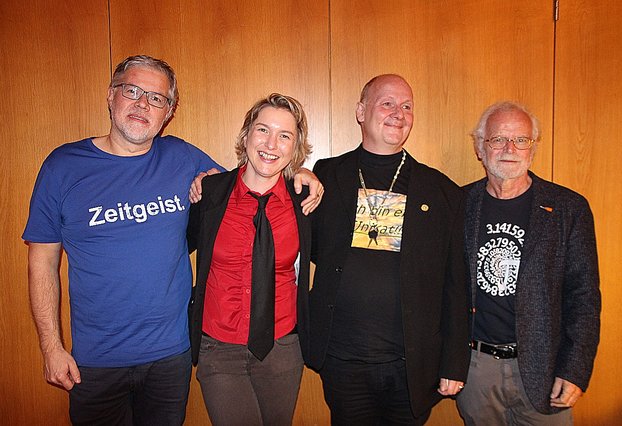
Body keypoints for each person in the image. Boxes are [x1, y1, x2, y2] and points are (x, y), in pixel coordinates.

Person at [23, 55, 322, 425]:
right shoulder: (63, 166)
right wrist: (51, 347)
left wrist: (302, 173)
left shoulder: (182, 157)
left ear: (169, 111)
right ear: (110, 94)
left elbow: (250, 176)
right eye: (132, 91)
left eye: (156, 98)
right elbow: (42, 261)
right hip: (96, 362)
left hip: (170, 356)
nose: (142, 104)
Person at [306, 74, 470, 424]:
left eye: (407, 106)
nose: (399, 113)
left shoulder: (442, 192)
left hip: (412, 365)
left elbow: (456, 287)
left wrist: (455, 362)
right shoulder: (326, 175)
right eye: (388, 103)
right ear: (361, 111)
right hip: (343, 360)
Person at [456, 101, 601, 425]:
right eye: (498, 139)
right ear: (480, 147)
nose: (510, 148)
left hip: (545, 367)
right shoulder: (458, 204)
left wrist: (574, 369)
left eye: (521, 139)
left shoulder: (568, 208)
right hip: (476, 371)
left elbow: (584, 298)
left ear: (532, 149)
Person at [187, 93, 312, 426]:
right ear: (246, 136)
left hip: (282, 347)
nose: (271, 143)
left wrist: (312, 177)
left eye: (284, 135)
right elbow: (178, 245)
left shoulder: (304, 201)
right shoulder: (211, 192)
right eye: (262, 130)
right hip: (219, 347)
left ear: (295, 147)